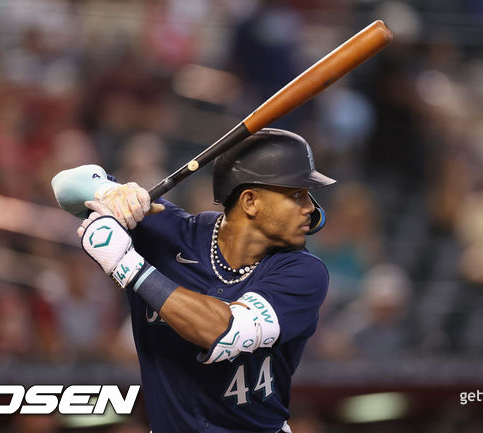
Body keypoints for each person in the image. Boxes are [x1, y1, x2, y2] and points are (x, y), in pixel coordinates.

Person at [51, 128, 336, 433]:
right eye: (296, 194)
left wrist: (128, 267)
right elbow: (65, 185)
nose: (311, 208)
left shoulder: (303, 272)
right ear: (250, 201)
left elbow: (225, 332)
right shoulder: (170, 232)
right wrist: (109, 193)